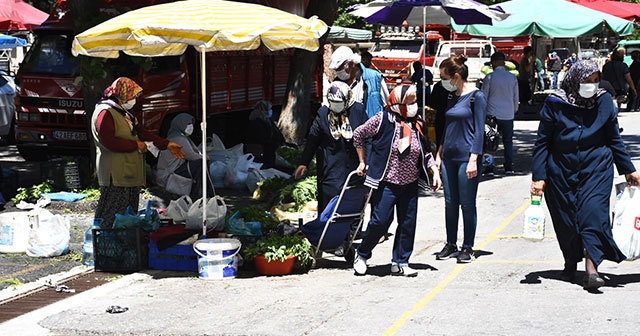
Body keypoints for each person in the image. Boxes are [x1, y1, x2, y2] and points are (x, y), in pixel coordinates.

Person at [531, 60, 640, 290]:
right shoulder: (555, 103)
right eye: (586, 81)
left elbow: (614, 139)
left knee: (593, 215)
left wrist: (629, 169)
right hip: (560, 170)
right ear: (574, 80)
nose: (591, 85)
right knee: (566, 220)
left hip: (596, 168)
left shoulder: (603, 102)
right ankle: (570, 261)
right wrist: (539, 176)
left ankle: (592, 268)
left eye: (595, 80)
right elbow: (543, 142)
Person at [351, 84, 441, 276]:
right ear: (398, 103)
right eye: (411, 102)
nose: (414, 105)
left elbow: (425, 151)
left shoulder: (417, 123)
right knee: (380, 221)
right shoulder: (382, 119)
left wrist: (434, 170)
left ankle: (400, 261)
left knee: (408, 223)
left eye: (415, 101)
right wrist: (362, 161)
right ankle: (362, 253)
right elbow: (358, 134)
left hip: (410, 183)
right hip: (386, 182)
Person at [91, 77, 185, 228]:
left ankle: (125, 247)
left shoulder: (123, 112)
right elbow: (109, 142)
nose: (134, 99)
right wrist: (135, 145)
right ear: (122, 94)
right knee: (113, 215)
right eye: (132, 95)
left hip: (128, 172)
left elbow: (142, 132)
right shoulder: (105, 112)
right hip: (115, 174)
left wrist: (166, 144)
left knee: (128, 217)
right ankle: (108, 246)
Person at [435, 56, 487, 264]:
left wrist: (474, 158)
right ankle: (451, 243)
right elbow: (447, 128)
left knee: (467, 203)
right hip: (449, 156)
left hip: (467, 157)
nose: (442, 81)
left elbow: (479, 130)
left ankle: (468, 246)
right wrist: (439, 154)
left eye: (444, 77)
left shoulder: (477, 97)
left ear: (456, 76)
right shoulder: (451, 97)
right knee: (450, 203)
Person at [294, 81, 367, 212]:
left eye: (339, 103)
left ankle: (352, 231)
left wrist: (366, 162)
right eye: (334, 103)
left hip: (354, 166)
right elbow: (313, 139)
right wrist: (304, 163)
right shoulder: (323, 114)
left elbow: (368, 138)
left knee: (352, 202)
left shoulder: (358, 111)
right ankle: (327, 230)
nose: (337, 107)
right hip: (331, 167)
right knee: (329, 205)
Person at [156, 113, 213, 201]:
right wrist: (204, 157)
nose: (191, 127)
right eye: (188, 124)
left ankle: (204, 194)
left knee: (201, 162)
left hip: (174, 170)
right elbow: (191, 156)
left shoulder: (178, 136)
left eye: (191, 124)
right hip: (169, 175)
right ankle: (198, 196)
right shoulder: (178, 139)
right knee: (201, 163)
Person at [481, 52, 519, 175]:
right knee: (508, 142)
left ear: (495, 62)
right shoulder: (512, 77)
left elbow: (483, 96)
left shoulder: (490, 77)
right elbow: (515, 97)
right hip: (508, 114)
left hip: (492, 114)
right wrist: (513, 111)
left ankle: (490, 167)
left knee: (490, 141)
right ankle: (508, 166)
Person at [329, 46, 388, 118]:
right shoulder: (335, 85)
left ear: (351, 63)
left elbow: (387, 106)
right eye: (336, 70)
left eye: (339, 69)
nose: (338, 72)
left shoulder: (375, 77)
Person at [245, 100, 285, 168]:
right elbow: (263, 138)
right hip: (262, 151)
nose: (271, 111)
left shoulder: (267, 120)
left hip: (268, 149)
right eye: (269, 109)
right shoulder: (256, 122)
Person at [602, 47, 637, 112]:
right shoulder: (623, 65)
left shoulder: (606, 65)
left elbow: (602, 77)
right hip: (619, 88)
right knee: (617, 103)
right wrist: (634, 89)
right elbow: (628, 79)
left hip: (608, 87)